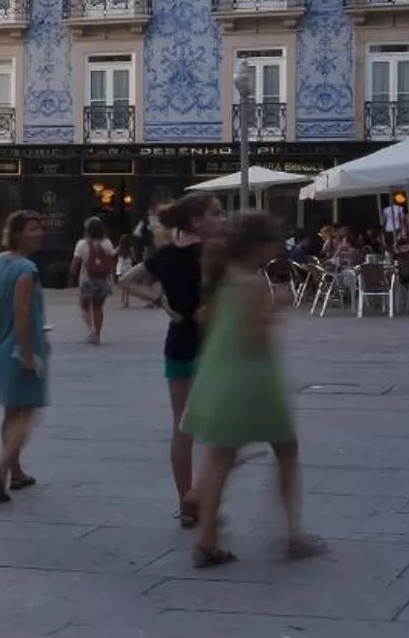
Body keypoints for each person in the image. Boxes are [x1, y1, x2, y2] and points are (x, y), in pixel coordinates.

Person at [182, 212, 318, 566]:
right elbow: (256, 337)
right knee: (286, 451)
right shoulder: (254, 283)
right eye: (273, 240)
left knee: (218, 460)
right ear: (258, 244)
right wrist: (277, 307)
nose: (276, 247)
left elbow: (204, 319)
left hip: (217, 375)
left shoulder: (222, 276)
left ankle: (206, 539)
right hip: (253, 378)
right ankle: (294, 535)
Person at [119, 193, 224, 525]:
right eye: (216, 214)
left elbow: (125, 280)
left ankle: (185, 503)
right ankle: (201, 498)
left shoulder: (166, 255)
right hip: (210, 347)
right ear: (196, 220)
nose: (221, 220)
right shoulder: (212, 254)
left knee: (182, 427)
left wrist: (160, 301)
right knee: (217, 427)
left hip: (177, 343)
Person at [0, 210, 49, 502]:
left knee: (11, 412)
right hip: (19, 347)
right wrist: (26, 352)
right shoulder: (26, 269)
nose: (39, 233)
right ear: (19, 233)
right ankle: (0, 471)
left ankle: (16, 471)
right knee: (27, 413)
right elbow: (21, 312)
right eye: (33, 229)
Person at [69, 217, 117, 343]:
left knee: (84, 306)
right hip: (104, 280)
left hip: (87, 280)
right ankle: (98, 334)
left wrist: (71, 276)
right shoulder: (107, 243)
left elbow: (75, 265)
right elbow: (111, 262)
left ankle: (92, 330)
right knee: (98, 307)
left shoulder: (81, 244)